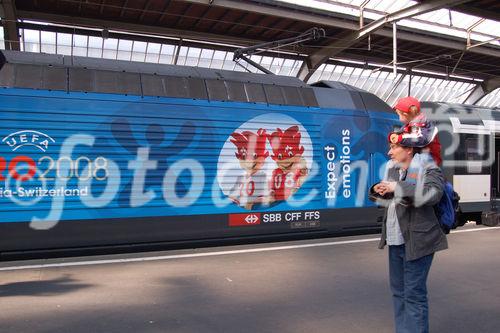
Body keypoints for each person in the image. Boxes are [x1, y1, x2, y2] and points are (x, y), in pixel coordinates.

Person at [370, 140, 448, 333]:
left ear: (408, 149)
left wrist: (396, 187)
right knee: (398, 293)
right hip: (395, 238)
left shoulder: (429, 168)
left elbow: (433, 194)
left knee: (413, 295)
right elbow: (384, 201)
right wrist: (377, 190)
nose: (389, 152)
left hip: (419, 240)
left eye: (393, 148)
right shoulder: (394, 171)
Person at [388, 96, 442, 166]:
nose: (399, 118)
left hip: (429, 160)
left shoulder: (422, 124)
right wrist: (395, 136)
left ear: (405, 115)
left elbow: (419, 139)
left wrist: (400, 138)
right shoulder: (411, 125)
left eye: (399, 115)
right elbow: (403, 133)